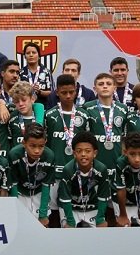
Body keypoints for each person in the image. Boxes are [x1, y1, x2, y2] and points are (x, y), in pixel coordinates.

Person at [45, 74, 90, 228]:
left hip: (76, 174)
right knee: (53, 213)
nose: (68, 96)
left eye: (71, 92)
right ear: (57, 92)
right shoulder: (49, 115)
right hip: (54, 174)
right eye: (64, 93)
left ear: (76, 90)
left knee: (72, 213)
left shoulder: (84, 115)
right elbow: (46, 145)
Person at [57, 131, 110, 228]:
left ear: (95, 153)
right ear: (74, 153)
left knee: (99, 233)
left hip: (92, 206)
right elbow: (65, 199)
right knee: (69, 233)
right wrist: (70, 221)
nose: (83, 154)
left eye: (88, 151)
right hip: (71, 208)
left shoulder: (101, 169)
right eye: (79, 151)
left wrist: (100, 218)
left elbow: (103, 197)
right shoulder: (68, 170)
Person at [7, 123, 56, 227]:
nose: (37, 150)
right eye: (32, 146)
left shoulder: (49, 156)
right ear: (24, 143)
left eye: (41, 146)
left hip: (39, 192)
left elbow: (46, 186)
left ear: (45, 143)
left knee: (42, 225)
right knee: (19, 224)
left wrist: (43, 214)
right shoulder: (14, 154)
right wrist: (16, 209)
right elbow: (13, 185)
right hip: (20, 193)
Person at [82, 73, 128, 174]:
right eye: (101, 84)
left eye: (108, 83)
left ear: (114, 88)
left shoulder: (123, 109)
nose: (105, 86)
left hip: (117, 160)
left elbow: (124, 137)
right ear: (95, 88)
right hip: (95, 161)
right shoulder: (87, 107)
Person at [8, 81, 46, 146]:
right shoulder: (11, 116)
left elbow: (39, 105)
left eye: (24, 100)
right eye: (17, 101)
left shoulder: (42, 116)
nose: (20, 104)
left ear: (32, 99)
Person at [19, 42, 54, 108]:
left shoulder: (46, 72)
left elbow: (52, 93)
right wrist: (29, 89)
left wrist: (40, 92)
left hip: (44, 107)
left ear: (39, 56)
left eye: (34, 52)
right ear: (25, 57)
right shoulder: (21, 73)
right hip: (25, 107)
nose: (31, 55)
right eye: (28, 53)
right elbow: (16, 93)